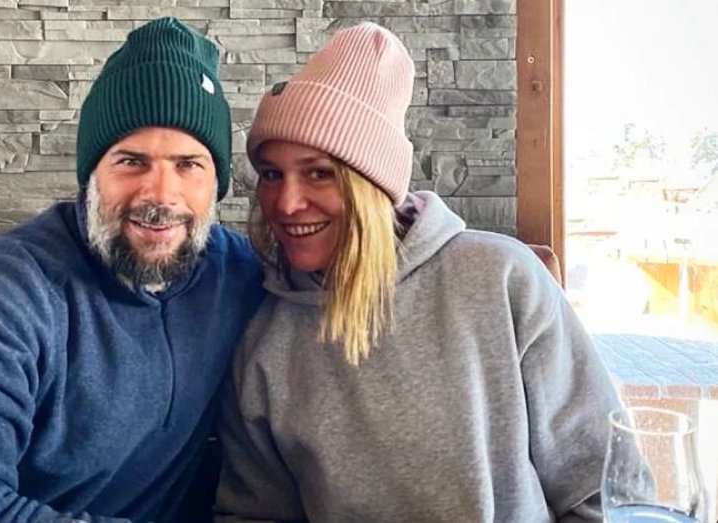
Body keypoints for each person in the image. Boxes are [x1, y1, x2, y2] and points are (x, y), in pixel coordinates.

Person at [214, 22, 621, 523]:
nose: (286, 202)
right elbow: (255, 514)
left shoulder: (502, 281)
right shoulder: (263, 338)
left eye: (319, 173)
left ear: (373, 185)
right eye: (272, 174)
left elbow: (608, 490)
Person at [0, 17, 264, 523]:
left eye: (188, 164)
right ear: (91, 175)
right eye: (131, 161)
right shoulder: (11, 283)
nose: (161, 194)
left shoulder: (240, 274)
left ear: (216, 182)